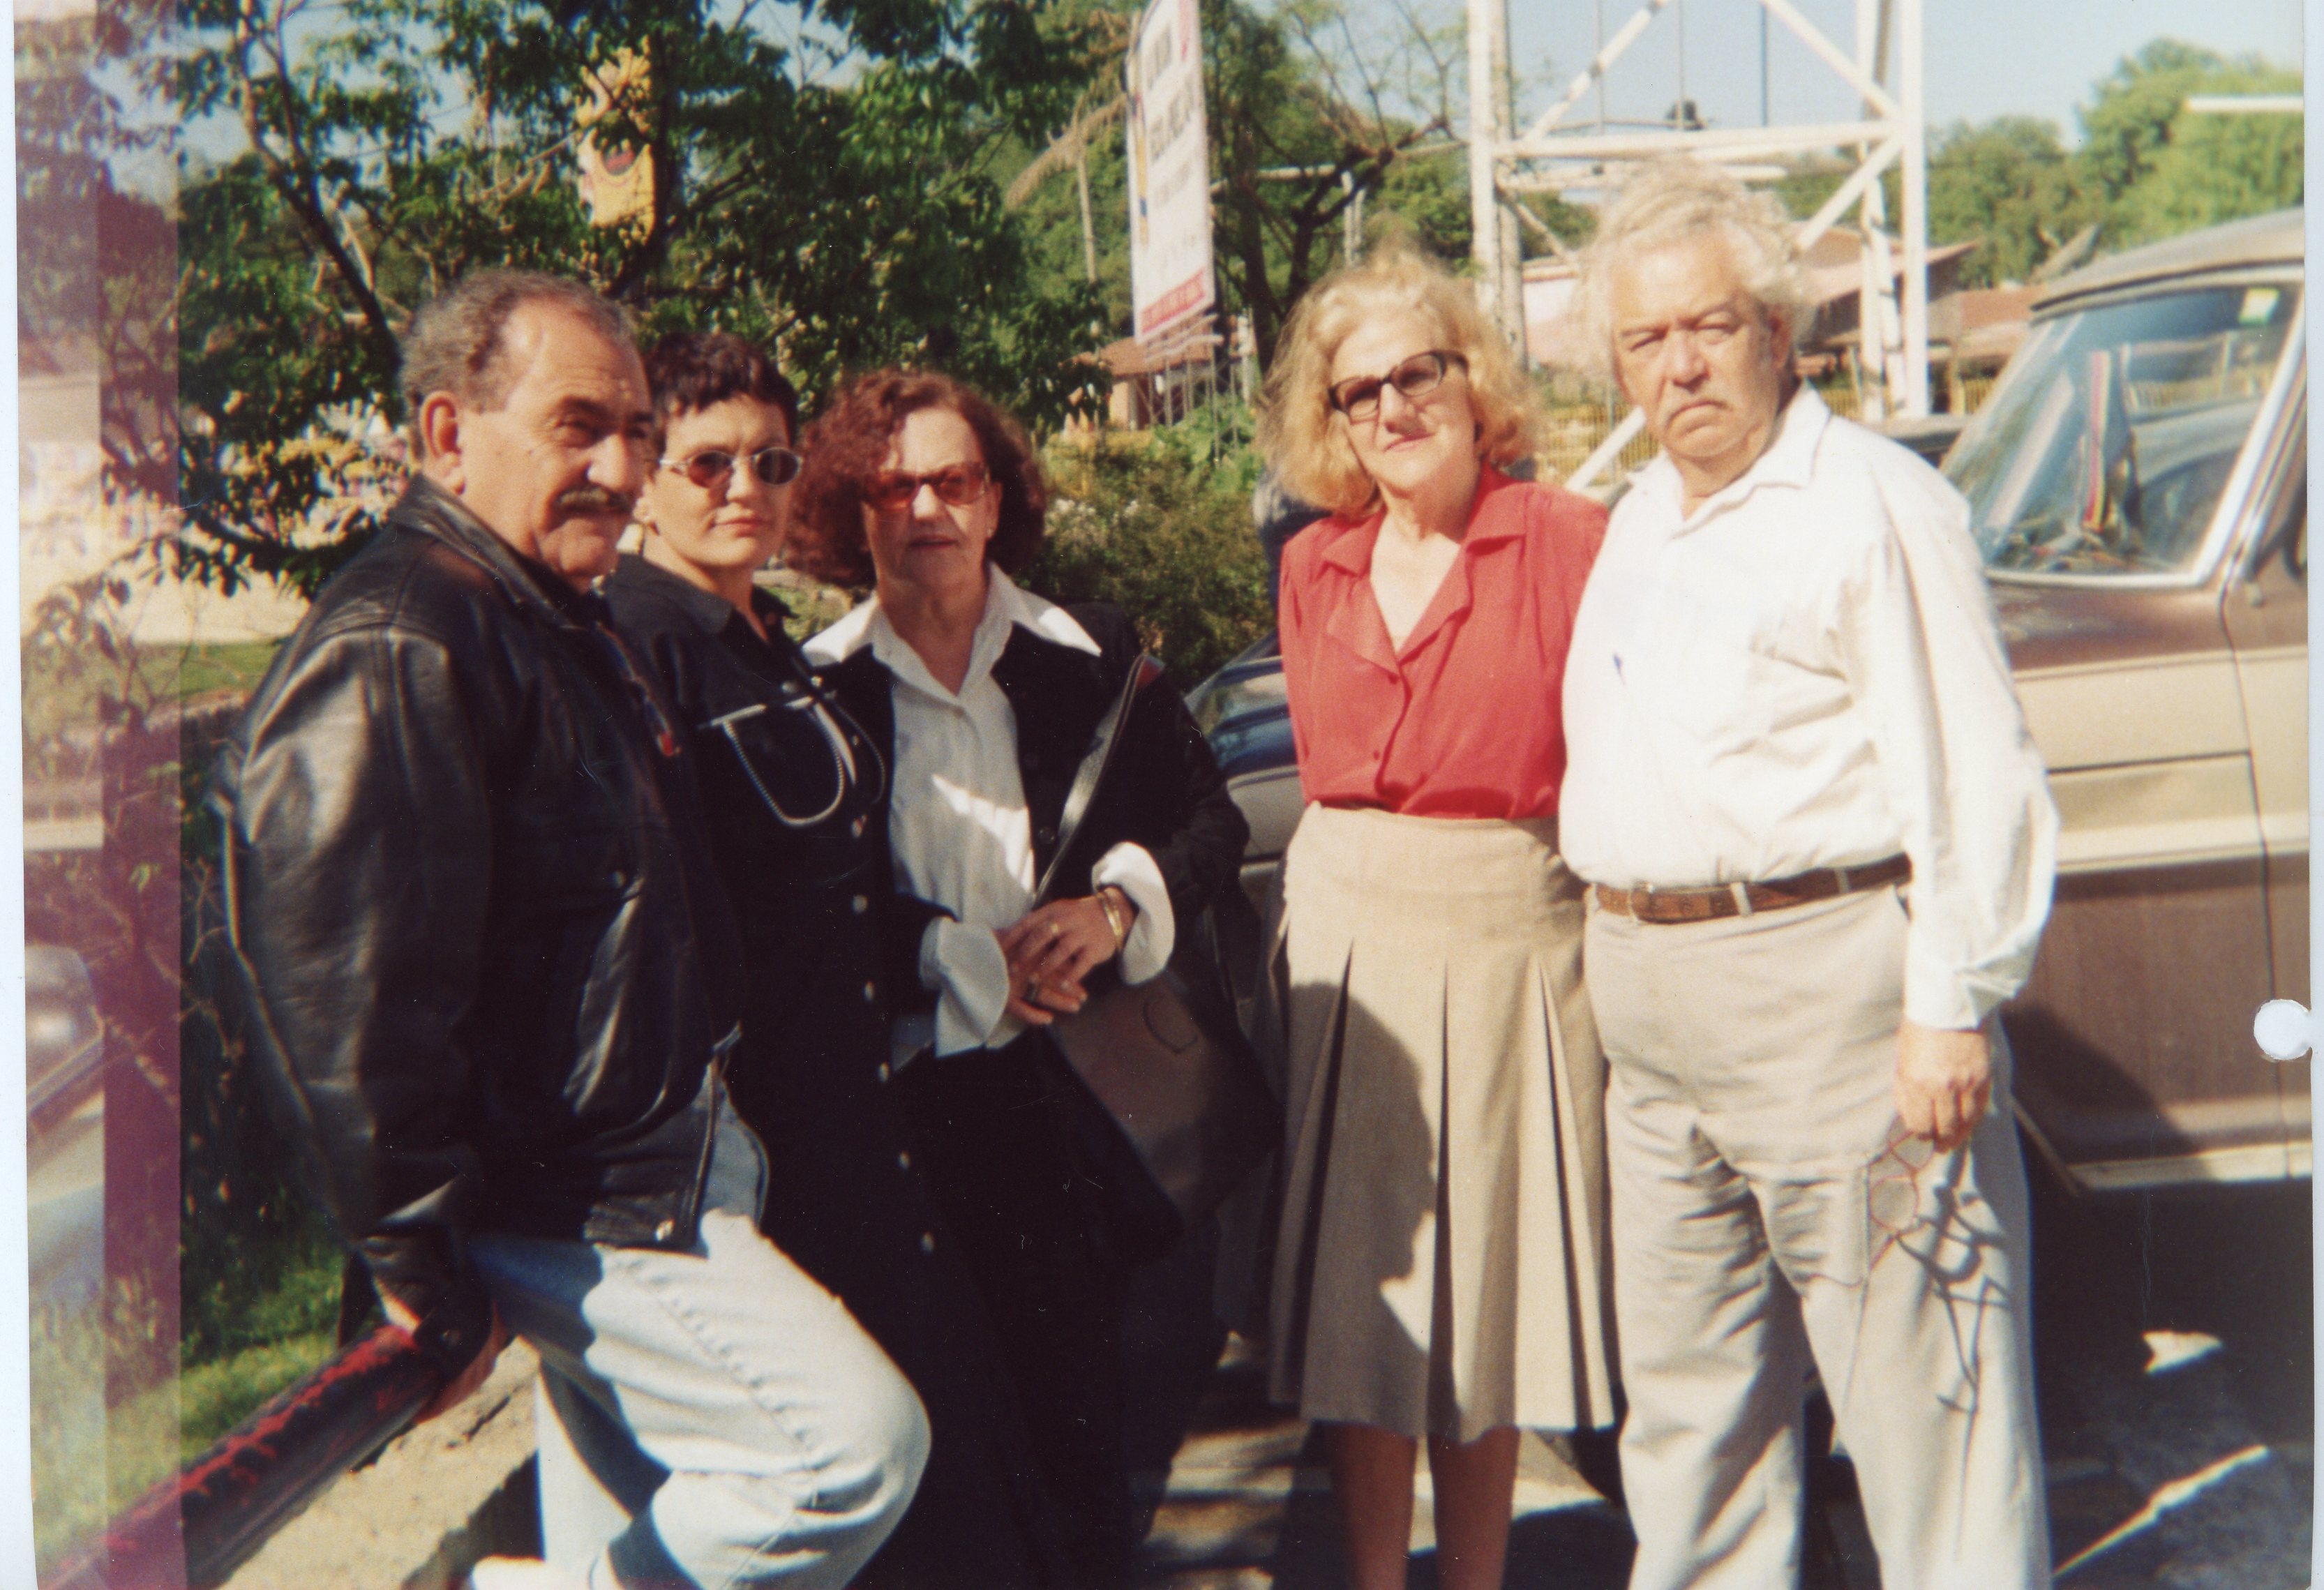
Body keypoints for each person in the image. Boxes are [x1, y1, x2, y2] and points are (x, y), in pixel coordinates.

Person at [211, 272, 928, 1590]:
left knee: (648, 1510)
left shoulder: (545, 617)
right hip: (581, 1201)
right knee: (850, 1452)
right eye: (578, 428)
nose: (619, 468)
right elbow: (337, 994)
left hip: (648, 1162)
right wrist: (419, 1267)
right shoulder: (401, 639)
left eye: (636, 433)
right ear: (448, 435)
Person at [1557, 160, 2058, 1589]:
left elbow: (1975, 775)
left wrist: (1949, 1005)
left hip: (1830, 1009)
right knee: (1692, 1426)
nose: (1680, 365)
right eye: (1646, 340)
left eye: (1709, 326)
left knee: (1928, 1416)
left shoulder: (1873, 504)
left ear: (1778, 333)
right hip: (1653, 1024)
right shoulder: (1641, 516)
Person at [601, 332, 1071, 1589]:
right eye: (706, 462)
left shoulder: (757, 637)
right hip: (765, 1145)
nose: (741, 488)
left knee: (969, 1480)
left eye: (770, 461)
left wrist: (951, 952)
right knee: (897, 1502)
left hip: (862, 1113)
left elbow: (833, 892)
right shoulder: (635, 649)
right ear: (645, 475)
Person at [788, 370, 1250, 1589]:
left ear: (996, 500)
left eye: (953, 480)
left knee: (1081, 1444)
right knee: (928, 1460)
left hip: (1067, 1104)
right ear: (851, 512)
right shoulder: (811, 691)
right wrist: (954, 957)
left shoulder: (1090, 655)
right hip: (904, 1120)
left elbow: (1211, 822)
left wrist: (1114, 908)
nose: (925, 509)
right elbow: (797, 915)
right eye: (892, 486)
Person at [1254, 243, 1617, 1590]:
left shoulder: (1571, 540)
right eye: (1360, 391)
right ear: (1333, 422)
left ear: (1474, 383)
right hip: (1351, 948)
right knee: (1368, 1310)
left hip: (1514, 941)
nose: (1393, 407)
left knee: (1487, 1308)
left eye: (1419, 373)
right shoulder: (1312, 564)